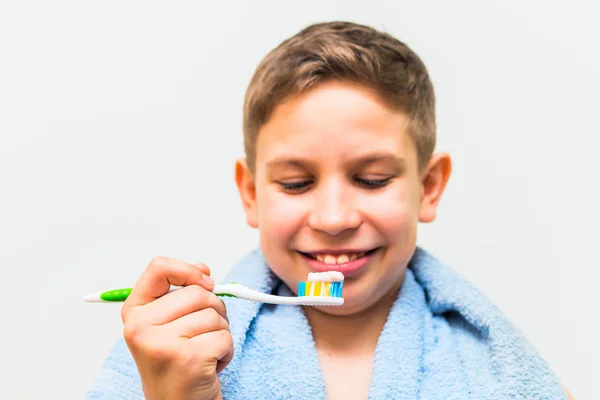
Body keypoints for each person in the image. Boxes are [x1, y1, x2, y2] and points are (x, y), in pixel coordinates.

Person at [86, 21, 573, 399]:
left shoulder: (500, 374)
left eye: (372, 179)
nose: (334, 218)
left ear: (428, 187)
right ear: (251, 194)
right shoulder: (167, 360)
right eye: (296, 184)